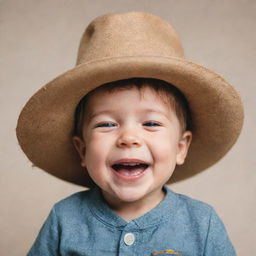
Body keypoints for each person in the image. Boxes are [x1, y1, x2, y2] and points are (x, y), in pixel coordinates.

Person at [16, 12, 244, 256]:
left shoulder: (202, 224)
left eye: (151, 123)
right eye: (106, 125)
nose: (128, 137)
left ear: (180, 147)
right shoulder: (64, 220)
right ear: (82, 149)